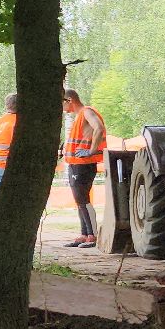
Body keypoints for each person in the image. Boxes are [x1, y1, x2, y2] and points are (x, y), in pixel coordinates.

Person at [61, 88, 107, 247]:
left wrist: (91, 150)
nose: (62, 108)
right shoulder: (79, 117)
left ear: (69, 100)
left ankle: (92, 236)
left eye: (62, 103)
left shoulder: (87, 111)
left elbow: (99, 128)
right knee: (79, 200)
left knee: (83, 199)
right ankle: (84, 234)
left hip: (83, 165)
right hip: (76, 164)